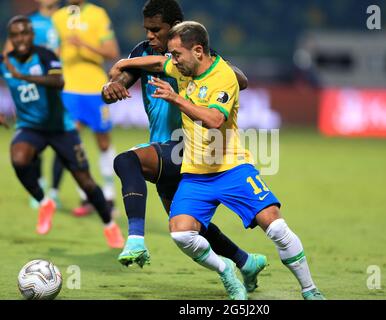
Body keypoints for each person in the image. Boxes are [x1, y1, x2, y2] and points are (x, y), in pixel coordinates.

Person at [110, 21, 326, 300]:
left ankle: (310, 290)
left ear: (198, 51)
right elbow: (156, 63)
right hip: (196, 174)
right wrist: (123, 63)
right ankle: (225, 268)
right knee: (180, 234)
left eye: (176, 54)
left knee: (276, 227)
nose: (171, 60)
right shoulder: (181, 66)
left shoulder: (223, 76)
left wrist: (176, 99)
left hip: (231, 169)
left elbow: (214, 119)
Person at [102, 0, 267, 295]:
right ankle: (246, 261)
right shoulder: (142, 52)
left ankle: (136, 239)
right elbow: (119, 83)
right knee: (188, 226)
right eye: (147, 30)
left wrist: (215, 65)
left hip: (187, 147)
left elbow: (240, 80)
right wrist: (109, 88)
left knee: (127, 161)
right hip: (164, 146)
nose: (151, 35)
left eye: (157, 30)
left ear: (174, 28)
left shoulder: (193, 53)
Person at [0, 15, 124, 249]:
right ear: (10, 38)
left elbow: (58, 83)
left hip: (61, 129)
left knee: (86, 182)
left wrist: (23, 76)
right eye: (15, 35)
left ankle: (109, 224)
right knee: (18, 159)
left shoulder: (45, 56)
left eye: (24, 33)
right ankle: (44, 201)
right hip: (30, 127)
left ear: (32, 35)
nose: (21, 39)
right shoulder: (5, 62)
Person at [52, 0, 119, 216]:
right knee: (72, 142)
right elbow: (51, 51)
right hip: (68, 89)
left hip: (95, 89)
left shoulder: (97, 14)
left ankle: (109, 196)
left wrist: (83, 45)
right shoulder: (58, 17)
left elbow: (112, 51)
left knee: (103, 142)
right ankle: (87, 196)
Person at [3, 0, 63, 210]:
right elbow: (8, 55)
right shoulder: (30, 22)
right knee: (33, 142)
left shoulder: (66, 20)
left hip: (60, 87)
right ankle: (39, 185)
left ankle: (54, 191)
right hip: (34, 89)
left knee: (62, 141)